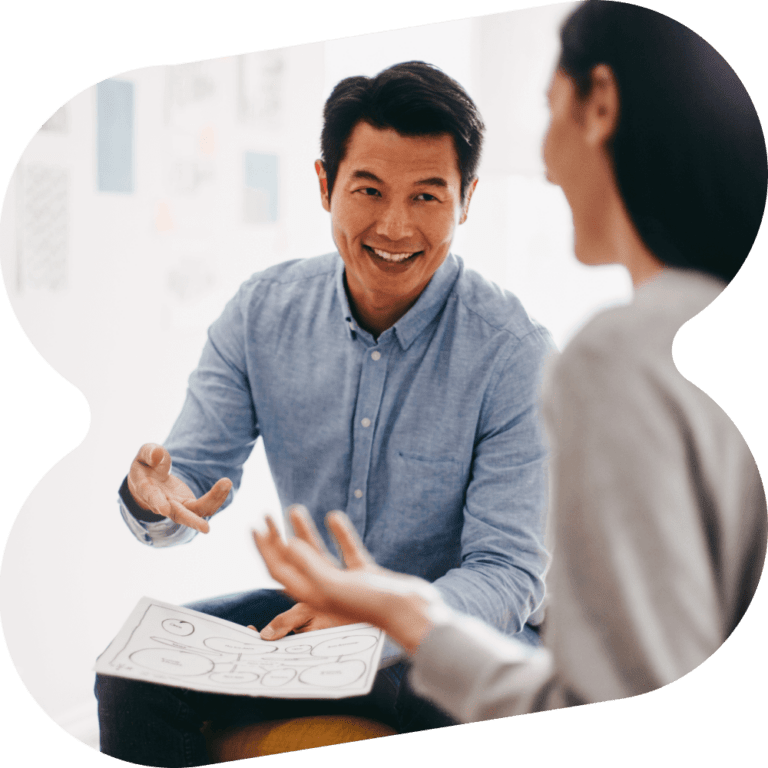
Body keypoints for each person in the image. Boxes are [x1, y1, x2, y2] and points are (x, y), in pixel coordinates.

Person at [253, 0, 768, 724]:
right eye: (369, 188)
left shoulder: (620, 356)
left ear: (600, 107)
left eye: (548, 109)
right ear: (325, 184)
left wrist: (409, 621)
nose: (550, 165)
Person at [96, 61, 554, 765]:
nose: (395, 226)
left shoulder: (514, 354)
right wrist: (159, 500)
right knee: (131, 672)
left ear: (466, 201)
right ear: (324, 186)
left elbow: (507, 574)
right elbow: (190, 478)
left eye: (427, 196)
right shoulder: (261, 313)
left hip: (447, 629)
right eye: (368, 189)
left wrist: (381, 618)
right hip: (312, 614)